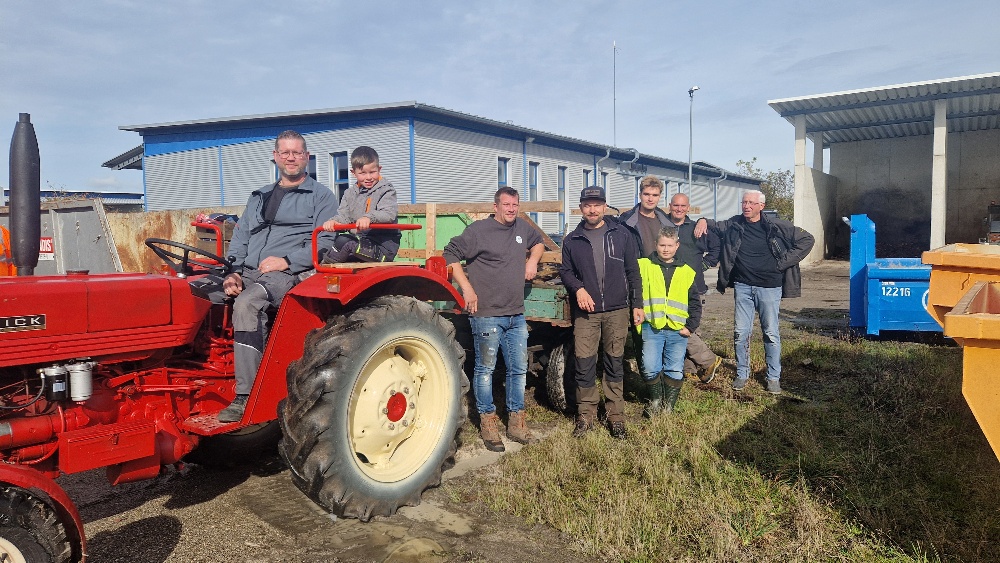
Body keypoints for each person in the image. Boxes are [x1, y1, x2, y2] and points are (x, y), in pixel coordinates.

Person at [216, 130, 339, 422]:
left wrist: (286, 261)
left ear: (306, 157)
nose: (291, 158)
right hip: (249, 270)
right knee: (194, 294)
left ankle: (247, 396)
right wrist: (233, 272)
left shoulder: (321, 196)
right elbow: (241, 236)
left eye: (296, 152)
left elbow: (323, 243)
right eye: (285, 152)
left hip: (289, 274)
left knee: (247, 303)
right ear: (275, 156)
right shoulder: (259, 196)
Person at [443, 187, 544, 452]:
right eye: (506, 204)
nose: (511, 209)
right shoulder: (479, 231)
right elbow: (450, 254)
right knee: (485, 370)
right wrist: (467, 289)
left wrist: (532, 261)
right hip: (487, 314)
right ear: (496, 206)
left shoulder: (522, 228)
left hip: (516, 314)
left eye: (515, 205)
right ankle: (488, 422)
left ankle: (516, 422)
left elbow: (539, 242)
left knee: (518, 369)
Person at [699, 190, 815, 394]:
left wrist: (783, 262)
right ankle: (742, 373)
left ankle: (773, 377)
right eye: (744, 202)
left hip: (769, 287)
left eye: (751, 203)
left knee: (770, 333)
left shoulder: (776, 226)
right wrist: (702, 220)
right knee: (741, 332)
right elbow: (715, 225)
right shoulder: (735, 223)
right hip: (743, 286)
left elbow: (807, 239)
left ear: (761, 206)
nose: (747, 206)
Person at [559, 186, 644, 439]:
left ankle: (615, 416)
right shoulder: (572, 240)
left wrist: (637, 304)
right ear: (581, 208)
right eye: (588, 205)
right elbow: (566, 272)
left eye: (597, 204)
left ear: (605, 206)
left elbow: (633, 271)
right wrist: (578, 289)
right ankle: (586, 415)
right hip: (587, 312)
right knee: (584, 363)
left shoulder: (622, 234)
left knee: (614, 363)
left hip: (617, 310)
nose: (593, 209)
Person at [620, 177, 722, 383]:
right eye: (646, 194)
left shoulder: (665, 221)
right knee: (648, 327)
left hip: (668, 279)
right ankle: (658, 374)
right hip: (642, 278)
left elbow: (711, 242)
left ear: (660, 197)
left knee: (672, 323)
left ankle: (688, 366)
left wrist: (704, 221)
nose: (650, 198)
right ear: (640, 195)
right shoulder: (627, 220)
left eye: (655, 195)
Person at [637, 226, 701, 416]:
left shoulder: (686, 271)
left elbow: (695, 302)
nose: (666, 249)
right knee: (649, 366)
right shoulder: (644, 266)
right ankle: (655, 401)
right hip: (652, 327)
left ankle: (668, 407)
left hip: (677, 329)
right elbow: (634, 291)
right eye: (662, 245)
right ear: (655, 244)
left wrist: (690, 326)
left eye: (670, 245)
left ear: (677, 246)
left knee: (674, 368)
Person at [321, 146, 400, 263]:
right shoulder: (350, 193)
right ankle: (324, 270)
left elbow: (388, 213)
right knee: (335, 242)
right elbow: (344, 217)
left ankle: (325, 269)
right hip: (361, 242)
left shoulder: (386, 190)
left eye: (372, 172)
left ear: (379, 169)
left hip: (382, 247)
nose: (368, 177)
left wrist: (369, 218)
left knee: (345, 241)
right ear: (353, 173)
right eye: (362, 173)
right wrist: (334, 221)